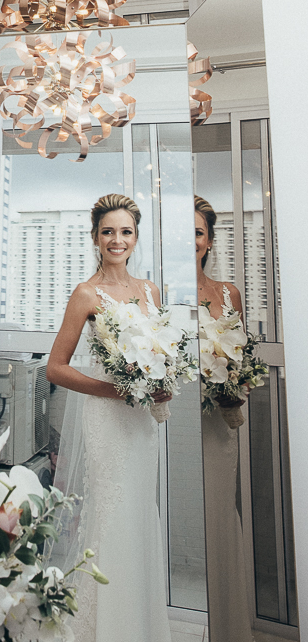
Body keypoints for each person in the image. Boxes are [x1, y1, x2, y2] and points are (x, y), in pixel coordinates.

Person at [46, 193, 172, 642]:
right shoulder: (86, 294)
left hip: (140, 422)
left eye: (126, 232)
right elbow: (55, 367)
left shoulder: (150, 290)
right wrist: (113, 390)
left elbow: (157, 352)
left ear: (136, 237)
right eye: (108, 232)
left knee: (140, 516)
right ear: (96, 237)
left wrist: (161, 381)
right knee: (112, 516)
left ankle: (141, 626)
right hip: (107, 417)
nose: (117, 240)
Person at [195, 194, 254, 642]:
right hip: (180, 423)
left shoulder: (228, 292)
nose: (191, 240)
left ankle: (227, 627)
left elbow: (241, 355)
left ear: (210, 240)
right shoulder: (159, 293)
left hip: (218, 424)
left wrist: (237, 385)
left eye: (198, 232)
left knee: (218, 513)